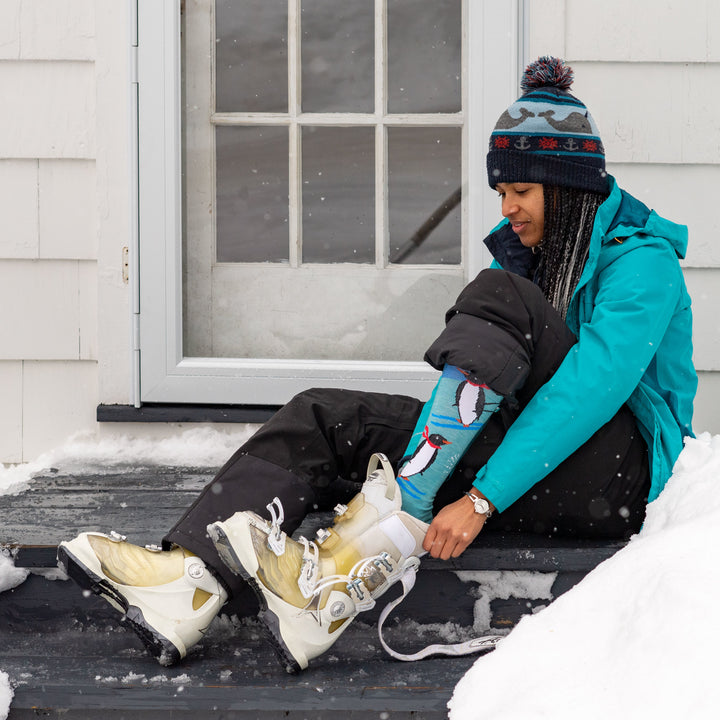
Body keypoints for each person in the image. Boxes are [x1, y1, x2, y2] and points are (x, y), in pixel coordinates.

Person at [58, 57, 697, 673]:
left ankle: (380, 531)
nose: (507, 207)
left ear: (568, 189)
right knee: (328, 418)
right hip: (535, 461)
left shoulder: (642, 264)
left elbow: (589, 393)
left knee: (500, 295)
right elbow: (483, 392)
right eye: (502, 191)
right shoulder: (538, 256)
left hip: (620, 480)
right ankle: (188, 580)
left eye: (522, 190)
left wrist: (477, 500)